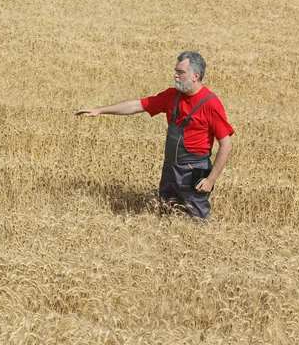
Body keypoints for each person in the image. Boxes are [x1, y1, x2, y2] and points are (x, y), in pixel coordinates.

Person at [75, 51, 234, 220]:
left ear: (196, 75)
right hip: (170, 170)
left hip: (193, 172)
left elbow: (226, 145)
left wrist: (210, 180)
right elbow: (137, 105)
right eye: (176, 71)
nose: (176, 75)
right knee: (166, 216)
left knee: (194, 222)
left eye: (181, 72)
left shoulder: (210, 103)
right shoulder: (172, 96)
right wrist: (101, 110)